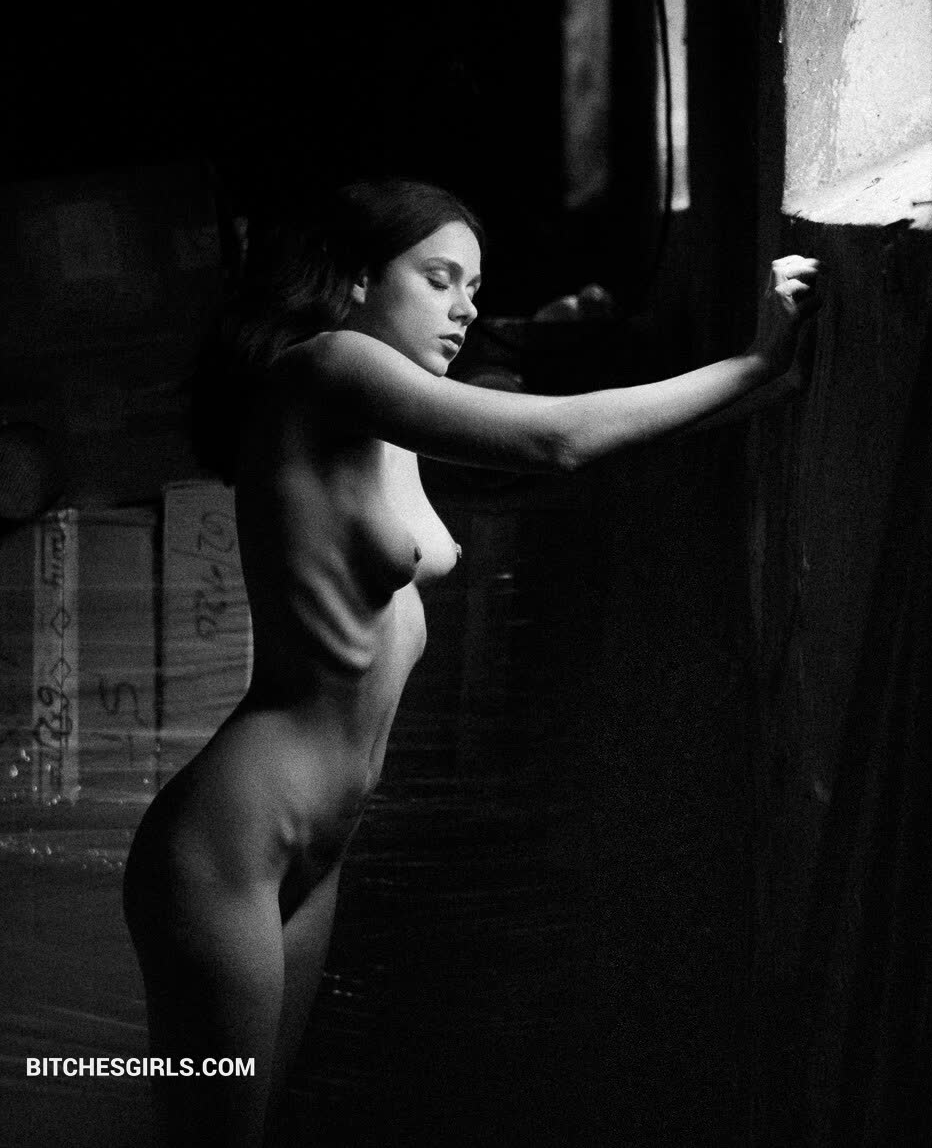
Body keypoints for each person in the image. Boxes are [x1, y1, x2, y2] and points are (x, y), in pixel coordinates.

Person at [123, 177, 822, 1146]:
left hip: (318, 849)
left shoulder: (389, 422)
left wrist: (768, 384)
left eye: (476, 289)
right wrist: (754, 361)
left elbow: (587, 440)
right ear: (359, 279)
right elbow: (561, 440)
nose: (465, 309)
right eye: (439, 278)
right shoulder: (326, 370)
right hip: (230, 844)